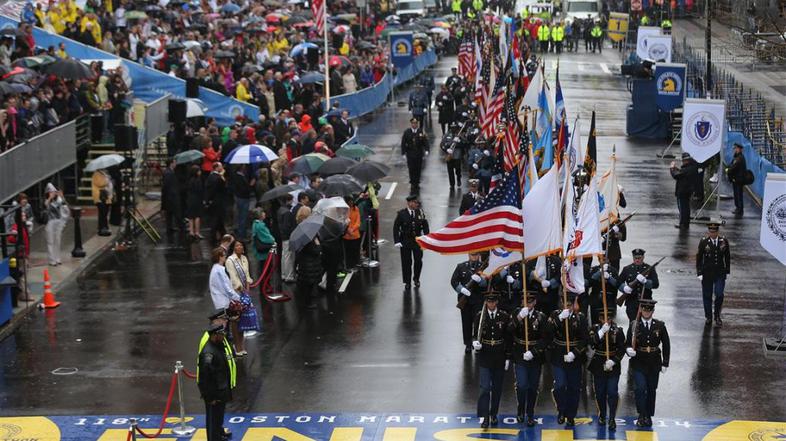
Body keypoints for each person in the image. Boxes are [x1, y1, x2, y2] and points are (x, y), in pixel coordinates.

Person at [545, 291, 589, 427]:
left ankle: (571, 415)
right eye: (565, 304)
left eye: (569, 305)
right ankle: (561, 410)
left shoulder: (580, 318)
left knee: (574, 388)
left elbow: (585, 339)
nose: (567, 307)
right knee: (560, 385)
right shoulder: (554, 315)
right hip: (558, 355)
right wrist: (559, 319)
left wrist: (575, 353)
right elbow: (547, 333)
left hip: (574, 357)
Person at [626, 299, 670, 428]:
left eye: (649, 310)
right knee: (640, 388)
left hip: (654, 362)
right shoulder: (635, 325)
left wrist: (665, 363)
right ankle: (641, 414)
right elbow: (628, 343)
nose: (646, 313)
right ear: (641, 311)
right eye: (644, 310)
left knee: (651, 389)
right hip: (639, 361)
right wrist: (628, 350)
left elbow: (666, 344)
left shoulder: (660, 325)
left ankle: (649, 415)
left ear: (652, 311)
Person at [471, 293, 510, 429]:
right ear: (486, 302)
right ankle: (485, 417)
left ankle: (493, 413)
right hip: (485, 356)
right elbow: (474, 334)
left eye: (493, 302)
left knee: (497, 388)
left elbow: (508, 338)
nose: (491, 304)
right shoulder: (480, 316)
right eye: (489, 302)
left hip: (499, 356)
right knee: (485, 388)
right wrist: (475, 343)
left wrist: (508, 357)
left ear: (497, 302)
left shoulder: (504, 316)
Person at [508, 293, 547, 426]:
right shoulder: (516, 313)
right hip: (520, 353)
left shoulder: (541, 317)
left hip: (535, 355)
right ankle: (520, 408)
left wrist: (534, 352)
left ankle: (530, 412)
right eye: (525, 302)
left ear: (534, 302)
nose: (528, 304)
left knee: (533, 387)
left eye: (530, 302)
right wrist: (519, 317)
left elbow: (545, 339)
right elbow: (509, 330)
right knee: (522, 385)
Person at [588, 306, 625, 431]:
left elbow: (621, 349)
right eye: (603, 318)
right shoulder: (595, 329)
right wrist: (601, 332)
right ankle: (603, 414)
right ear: (599, 318)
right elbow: (592, 344)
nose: (606, 321)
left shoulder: (618, 330)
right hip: (599, 363)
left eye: (608, 318)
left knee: (612, 392)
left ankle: (612, 417)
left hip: (613, 365)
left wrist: (614, 361)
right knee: (600, 392)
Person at [197, 323, 236, 441]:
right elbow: (204, 378)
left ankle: (218, 436)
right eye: (221, 334)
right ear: (215, 335)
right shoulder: (208, 353)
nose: (224, 335)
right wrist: (209, 398)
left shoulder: (218, 346)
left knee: (218, 419)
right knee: (212, 421)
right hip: (214, 395)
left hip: (221, 392)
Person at [451, 252, 488, 353]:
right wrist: (461, 289)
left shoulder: (483, 267)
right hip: (465, 300)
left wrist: (481, 281)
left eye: (476, 255)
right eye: (472, 255)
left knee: (478, 322)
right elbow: (454, 281)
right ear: (468, 255)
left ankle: (477, 342)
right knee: (466, 322)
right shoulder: (461, 266)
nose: (474, 257)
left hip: (478, 299)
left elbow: (487, 283)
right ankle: (467, 343)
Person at [208, 247, 243, 353]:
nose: (225, 257)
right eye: (224, 255)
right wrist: (239, 298)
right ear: (219, 257)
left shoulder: (216, 269)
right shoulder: (219, 271)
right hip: (222, 303)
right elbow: (226, 289)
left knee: (225, 327)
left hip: (221, 302)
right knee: (224, 328)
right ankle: (226, 350)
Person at [696, 222, 731, 327]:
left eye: (714, 232)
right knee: (707, 295)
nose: (712, 234)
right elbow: (699, 258)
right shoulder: (704, 242)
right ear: (708, 232)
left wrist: (727, 270)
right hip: (707, 273)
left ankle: (717, 315)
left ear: (717, 232)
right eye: (711, 232)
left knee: (719, 294)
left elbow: (727, 256)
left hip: (719, 273)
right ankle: (709, 317)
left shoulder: (723, 241)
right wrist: (699, 272)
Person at [226, 241, 260, 345]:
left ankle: (245, 330)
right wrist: (240, 289)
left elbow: (247, 275)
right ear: (233, 248)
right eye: (237, 245)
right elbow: (233, 277)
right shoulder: (230, 260)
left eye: (241, 245)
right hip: (235, 291)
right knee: (235, 314)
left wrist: (247, 288)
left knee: (246, 310)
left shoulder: (244, 259)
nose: (239, 247)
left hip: (245, 289)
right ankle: (234, 337)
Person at [393, 195, 429, 290]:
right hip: (405, 241)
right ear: (409, 203)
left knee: (418, 261)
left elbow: (425, 225)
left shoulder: (419, 212)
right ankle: (407, 282)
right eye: (414, 202)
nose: (416, 204)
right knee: (406, 262)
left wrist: (426, 236)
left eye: (416, 202)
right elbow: (396, 228)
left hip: (417, 241)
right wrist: (397, 241)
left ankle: (416, 278)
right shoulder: (402, 214)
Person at [618, 248, 660, 321]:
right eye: (635, 258)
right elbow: (618, 282)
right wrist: (624, 288)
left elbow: (656, 284)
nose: (637, 260)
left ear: (643, 257)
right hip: (631, 301)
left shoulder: (649, 269)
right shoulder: (627, 269)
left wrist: (646, 282)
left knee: (644, 324)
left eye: (639, 258)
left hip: (646, 302)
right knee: (633, 323)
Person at [670, 152, 699, 229]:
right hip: (688, 190)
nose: (683, 162)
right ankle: (686, 223)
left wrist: (672, 168)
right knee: (686, 208)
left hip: (682, 191)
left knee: (682, 209)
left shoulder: (686, 169)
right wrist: (676, 169)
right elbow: (682, 173)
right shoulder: (692, 167)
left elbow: (676, 175)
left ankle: (683, 224)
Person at [401, 118, 429, 192]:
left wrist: (426, 150)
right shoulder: (407, 132)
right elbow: (403, 143)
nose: (414, 125)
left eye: (416, 123)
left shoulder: (421, 131)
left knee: (418, 168)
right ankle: (412, 182)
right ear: (411, 124)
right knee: (411, 168)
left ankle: (417, 182)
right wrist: (403, 153)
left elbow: (425, 141)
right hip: (410, 153)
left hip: (418, 153)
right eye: (413, 123)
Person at [43, 183, 68, 266]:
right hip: (49, 222)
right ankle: (51, 260)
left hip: (58, 221)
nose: (52, 193)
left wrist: (62, 196)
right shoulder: (46, 200)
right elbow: (45, 205)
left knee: (58, 240)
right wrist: (50, 197)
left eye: (53, 192)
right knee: (50, 241)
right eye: (50, 192)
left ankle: (57, 258)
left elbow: (64, 206)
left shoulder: (59, 199)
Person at [295, 236, 322, 310]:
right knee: (310, 284)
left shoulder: (299, 239)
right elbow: (317, 251)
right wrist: (318, 243)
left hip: (303, 264)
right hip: (310, 265)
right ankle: (309, 303)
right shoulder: (310, 240)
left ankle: (306, 301)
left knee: (306, 284)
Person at [205, 162, 228, 243]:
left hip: (216, 201)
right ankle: (214, 237)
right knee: (216, 219)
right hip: (217, 202)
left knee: (219, 220)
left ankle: (223, 234)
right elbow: (221, 186)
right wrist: (221, 176)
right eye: (220, 166)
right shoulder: (215, 177)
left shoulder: (212, 176)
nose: (222, 168)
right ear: (216, 168)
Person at [230, 165, 255, 240]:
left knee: (241, 216)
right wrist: (251, 185)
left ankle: (241, 232)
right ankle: (242, 235)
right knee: (243, 216)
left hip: (239, 197)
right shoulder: (240, 177)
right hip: (243, 198)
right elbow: (244, 189)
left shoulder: (237, 176)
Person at [277, 194, 297, 282]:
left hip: (283, 236)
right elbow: (287, 226)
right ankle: (289, 276)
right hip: (288, 237)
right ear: (288, 200)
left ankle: (284, 274)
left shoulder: (280, 210)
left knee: (284, 256)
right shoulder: (287, 212)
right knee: (289, 257)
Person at [251, 207, 276, 275]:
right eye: (263, 212)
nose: (264, 214)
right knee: (265, 271)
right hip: (263, 253)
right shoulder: (260, 225)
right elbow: (266, 237)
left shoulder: (256, 224)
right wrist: (273, 240)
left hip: (259, 252)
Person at [161, 159, 182, 233]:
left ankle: (170, 227)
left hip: (170, 196)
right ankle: (178, 227)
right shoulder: (168, 173)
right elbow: (166, 186)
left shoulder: (170, 172)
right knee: (175, 213)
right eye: (175, 162)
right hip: (171, 196)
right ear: (171, 163)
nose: (176, 164)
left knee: (170, 214)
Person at [726, 143, 747, 215]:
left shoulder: (739, 158)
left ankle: (739, 209)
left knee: (738, 195)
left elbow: (733, 167)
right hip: (736, 179)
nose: (734, 150)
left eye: (735, 148)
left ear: (739, 149)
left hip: (738, 180)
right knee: (737, 194)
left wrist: (728, 170)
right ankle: (738, 208)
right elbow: (731, 165)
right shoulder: (737, 157)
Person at [91, 168, 113, 236]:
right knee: (102, 213)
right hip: (100, 197)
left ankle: (104, 227)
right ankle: (102, 228)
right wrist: (107, 180)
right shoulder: (96, 174)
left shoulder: (104, 174)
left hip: (106, 197)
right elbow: (100, 183)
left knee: (105, 213)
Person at [185, 165, 204, 239]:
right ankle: (197, 232)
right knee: (197, 216)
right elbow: (200, 191)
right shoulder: (198, 180)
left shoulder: (190, 180)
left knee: (191, 216)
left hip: (190, 199)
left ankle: (191, 231)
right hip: (197, 199)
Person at [343, 196, 361, 269]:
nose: (351, 202)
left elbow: (358, 221)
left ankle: (355, 263)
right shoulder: (344, 210)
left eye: (352, 201)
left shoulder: (356, 209)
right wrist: (348, 230)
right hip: (347, 235)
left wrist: (352, 229)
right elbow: (343, 220)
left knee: (355, 250)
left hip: (355, 234)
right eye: (349, 201)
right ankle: (349, 265)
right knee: (348, 251)